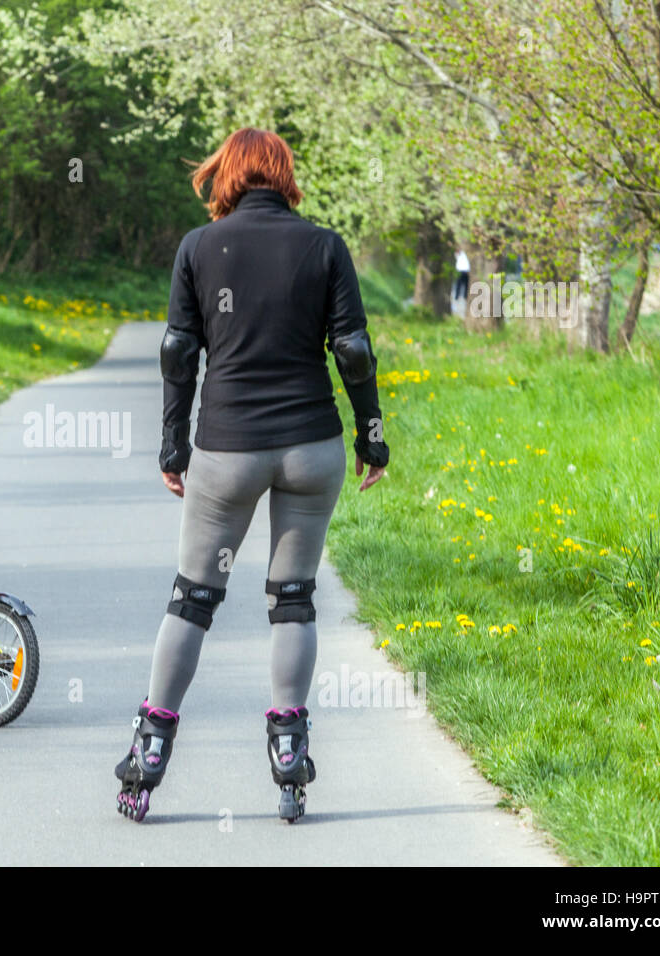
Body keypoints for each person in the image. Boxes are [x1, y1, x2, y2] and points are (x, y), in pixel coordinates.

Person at [114, 128, 390, 823]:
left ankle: (150, 749)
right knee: (292, 598)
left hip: (227, 450)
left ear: (226, 177)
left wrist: (172, 447)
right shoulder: (324, 246)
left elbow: (179, 353)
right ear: (285, 174)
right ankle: (289, 747)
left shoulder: (198, 249)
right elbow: (352, 351)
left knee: (193, 599)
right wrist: (372, 437)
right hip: (310, 447)